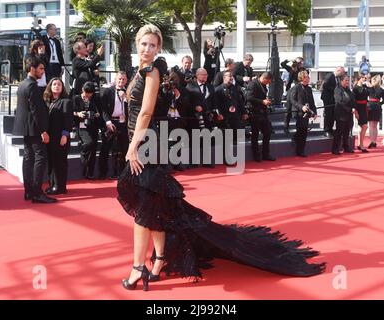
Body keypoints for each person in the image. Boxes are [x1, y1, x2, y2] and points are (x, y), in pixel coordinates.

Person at [117, 25, 325, 292]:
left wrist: (133, 146)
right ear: (137, 43)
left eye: (153, 45)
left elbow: (145, 113)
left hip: (145, 143)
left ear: (158, 48)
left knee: (144, 213)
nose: (148, 49)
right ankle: (157, 261)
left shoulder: (152, 72)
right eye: (144, 44)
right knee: (154, 207)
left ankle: (138, 268)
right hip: (145, 141)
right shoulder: (140, 71)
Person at [12, 56, 57, 204]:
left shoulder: (23, 84)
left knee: (28, 157)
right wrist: (43, 131)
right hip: (34, 128)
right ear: (33, 68)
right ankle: (37, 192)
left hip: (26, 127)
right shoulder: (31, 86)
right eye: (41, 69)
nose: (43, 72)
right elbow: (35, 111)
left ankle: (29, 191)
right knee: (40, 157)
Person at [44, 78, 74, 194]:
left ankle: (60, 187)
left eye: (59, 85)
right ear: (50, 87)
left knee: (60, 163)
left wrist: (65, 135)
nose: (57, 86)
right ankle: (52, 185)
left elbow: (68, 120)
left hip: (61, 137)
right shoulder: (48, 102)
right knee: (52, 162)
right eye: (54, 84)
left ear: (62, 88)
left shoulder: (66, 101)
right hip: (50, 138)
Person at [98, 72, 129, 179]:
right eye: (119, 79)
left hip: (123, 123)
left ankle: (123, 173)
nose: (121, 81)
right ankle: (103, 172)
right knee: (105, 148)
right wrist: (108, 122)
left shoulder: (128, 92)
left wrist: (126, 98)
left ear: (126, 80)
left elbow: (131, 109)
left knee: (124, 148)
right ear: (116, 79)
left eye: (123, 79)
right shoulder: (108, 91)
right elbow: (103, 109)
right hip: (111, 122)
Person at [73, 81, 101, 179]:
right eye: (86, 93)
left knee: (93, 149)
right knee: (89, 143)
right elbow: (70, 111)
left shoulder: (94, 99)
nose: (88, 95)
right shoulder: (76, 98)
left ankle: (89, 173)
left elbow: (98, 111)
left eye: (90, 93)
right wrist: (78, 114)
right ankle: (83, 152)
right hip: (81, 126)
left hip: (92, 125)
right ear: (82, 90)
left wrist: (96, 114)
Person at [246, 72, 276, 162]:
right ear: (265, 79)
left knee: (267, 133)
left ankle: (266, 154)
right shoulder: (253, 84)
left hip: (263, 113)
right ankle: (256, 155)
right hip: (254, 113)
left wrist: (266, 101)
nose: (268, 84)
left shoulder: (262, 85)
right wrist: (262, 101)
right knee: (255, 134)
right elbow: (249, 97)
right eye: (268, 82)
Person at [291, 71, 317, 157]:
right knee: (300, 130)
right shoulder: (296, 87)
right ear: (302, 78)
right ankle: (298, 149)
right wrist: (301, 107)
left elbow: (312, 102)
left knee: (304, 131)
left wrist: (314, 113)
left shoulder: (309, 89)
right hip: (298, 113)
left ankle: (301, 150)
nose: (309, 78)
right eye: (307, 77)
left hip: (307, 113)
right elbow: (293, 100)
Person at [332, 74, 356, 155]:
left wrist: (353, 107)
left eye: (348, 80)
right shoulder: (337, 90)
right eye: (346, 80)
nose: (347, 82)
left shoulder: (348, 89)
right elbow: (339, 102)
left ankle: (346, 147)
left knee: (347, 132)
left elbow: (352, 99)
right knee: (339, 132)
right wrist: (349, 109)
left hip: (349, 114)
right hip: (341, 114)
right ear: (341, 81)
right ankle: (335, 148)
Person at [321, 66, 346, 137]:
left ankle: (330, 129)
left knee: (332, 115)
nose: (342, 74)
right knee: (328, 114)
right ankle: (326, 130)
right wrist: (335, 90)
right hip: (327, 99)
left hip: (333, 99)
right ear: (338, 71)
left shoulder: (337, 78)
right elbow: (325, 86)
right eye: (342, 72)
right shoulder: (330, 76)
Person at [352, 74, 370, 152]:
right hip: (359, 107)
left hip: (365, 107)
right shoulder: (355, 88)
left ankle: (360, 144)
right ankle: (361, 145)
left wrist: (370, 85)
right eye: (363, 78)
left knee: (362, 127)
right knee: (364, 126)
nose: (364, 79)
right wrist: (355, 111)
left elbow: (371, 93)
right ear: (359, 79)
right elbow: (354, 100)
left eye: (365, 78)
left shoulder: (365, 87)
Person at [367, 75, 384, 148]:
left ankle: (372, 141)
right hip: (377, 106)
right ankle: (374, 141)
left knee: (371, 125)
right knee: (374, 125)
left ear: (375, 81)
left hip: (371, 106)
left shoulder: (370, 88)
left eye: (372, 80)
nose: (371, 81)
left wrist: (368, 102)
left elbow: (364, 97)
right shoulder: (381, 89)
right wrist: (379, 103)